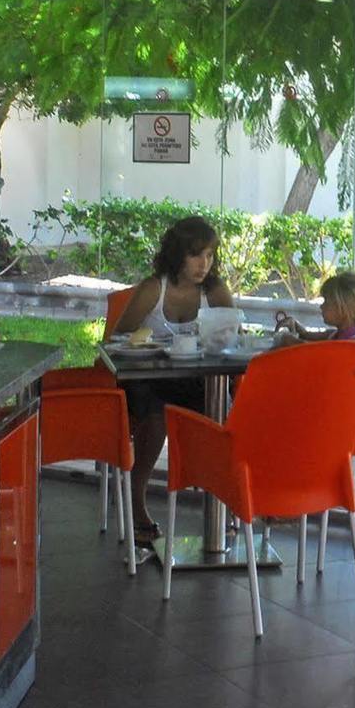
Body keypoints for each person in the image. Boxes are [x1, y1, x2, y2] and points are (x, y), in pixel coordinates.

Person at [110, 215, 235, 546]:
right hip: (148, 378)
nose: (203, 264)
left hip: (197, 379)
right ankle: (137, 502)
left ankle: (227, 504)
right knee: (156, 415)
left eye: (209, 255)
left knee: (228, 405)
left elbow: (232, 335)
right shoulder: (154, 289)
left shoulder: (216, 292)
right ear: (177, 254)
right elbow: (117, 338)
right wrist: (150, 344)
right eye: (196, 255)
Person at [274, 271, 355, 345]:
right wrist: (295, 325)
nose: (321, 306)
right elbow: (306, 335)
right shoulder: (336, 335)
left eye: (326, 302)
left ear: (343, 310)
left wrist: (289, 340)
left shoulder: (354, 344)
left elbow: (316, 352)